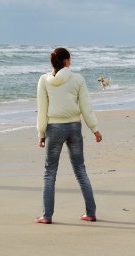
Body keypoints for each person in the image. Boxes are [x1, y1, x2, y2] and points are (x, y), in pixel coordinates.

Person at [36, 47, 102, 224]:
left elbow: (42, 110)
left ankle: (47, 216)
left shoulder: (44, 80)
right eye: (69, 59)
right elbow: (86, 107)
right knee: (80, 170)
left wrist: (41, 133)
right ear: (66, 61)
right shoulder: (77, 79)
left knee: (50, 173)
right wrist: (94, 129)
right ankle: (90, 213)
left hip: (53, 128)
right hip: (74, 127)